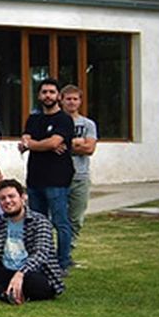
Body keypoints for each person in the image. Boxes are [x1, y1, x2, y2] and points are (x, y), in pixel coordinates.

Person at [0, 180, 65, 304]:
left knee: (34, 282)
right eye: (2, 198)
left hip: (33, 274)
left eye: (11, 196)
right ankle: (5, 295)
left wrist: (21, 273)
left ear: (23, 197)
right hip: (7, 271)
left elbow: (40, 254)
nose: (7, 201)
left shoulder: (39, 221)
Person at [19, 79, 76, 270]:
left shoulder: (64, 119)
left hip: (57, 180)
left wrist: (34, 145)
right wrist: (44, 144)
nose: (48, 96)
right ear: (39, 95)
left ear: (58, 96)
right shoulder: (33, 119)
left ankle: (63, 262)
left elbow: (53, 143)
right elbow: (26, 139)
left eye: (52, 92)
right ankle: (41, 260)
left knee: (60, 222)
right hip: (35, 178)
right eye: (44, 92)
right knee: (37, 224)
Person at [62, 85, 98, 245]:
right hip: (58, 176)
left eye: (75, 99)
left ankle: (68, 250)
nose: (72, 102)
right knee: (55, 217)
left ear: (80, 101)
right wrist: (77, 143)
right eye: (68, 99)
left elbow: (89, 148)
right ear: (61, 100)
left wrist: (65, 144)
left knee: (76, 218)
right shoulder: (57, 121)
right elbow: (51, 147)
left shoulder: (88, 124)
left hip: (80, 176)